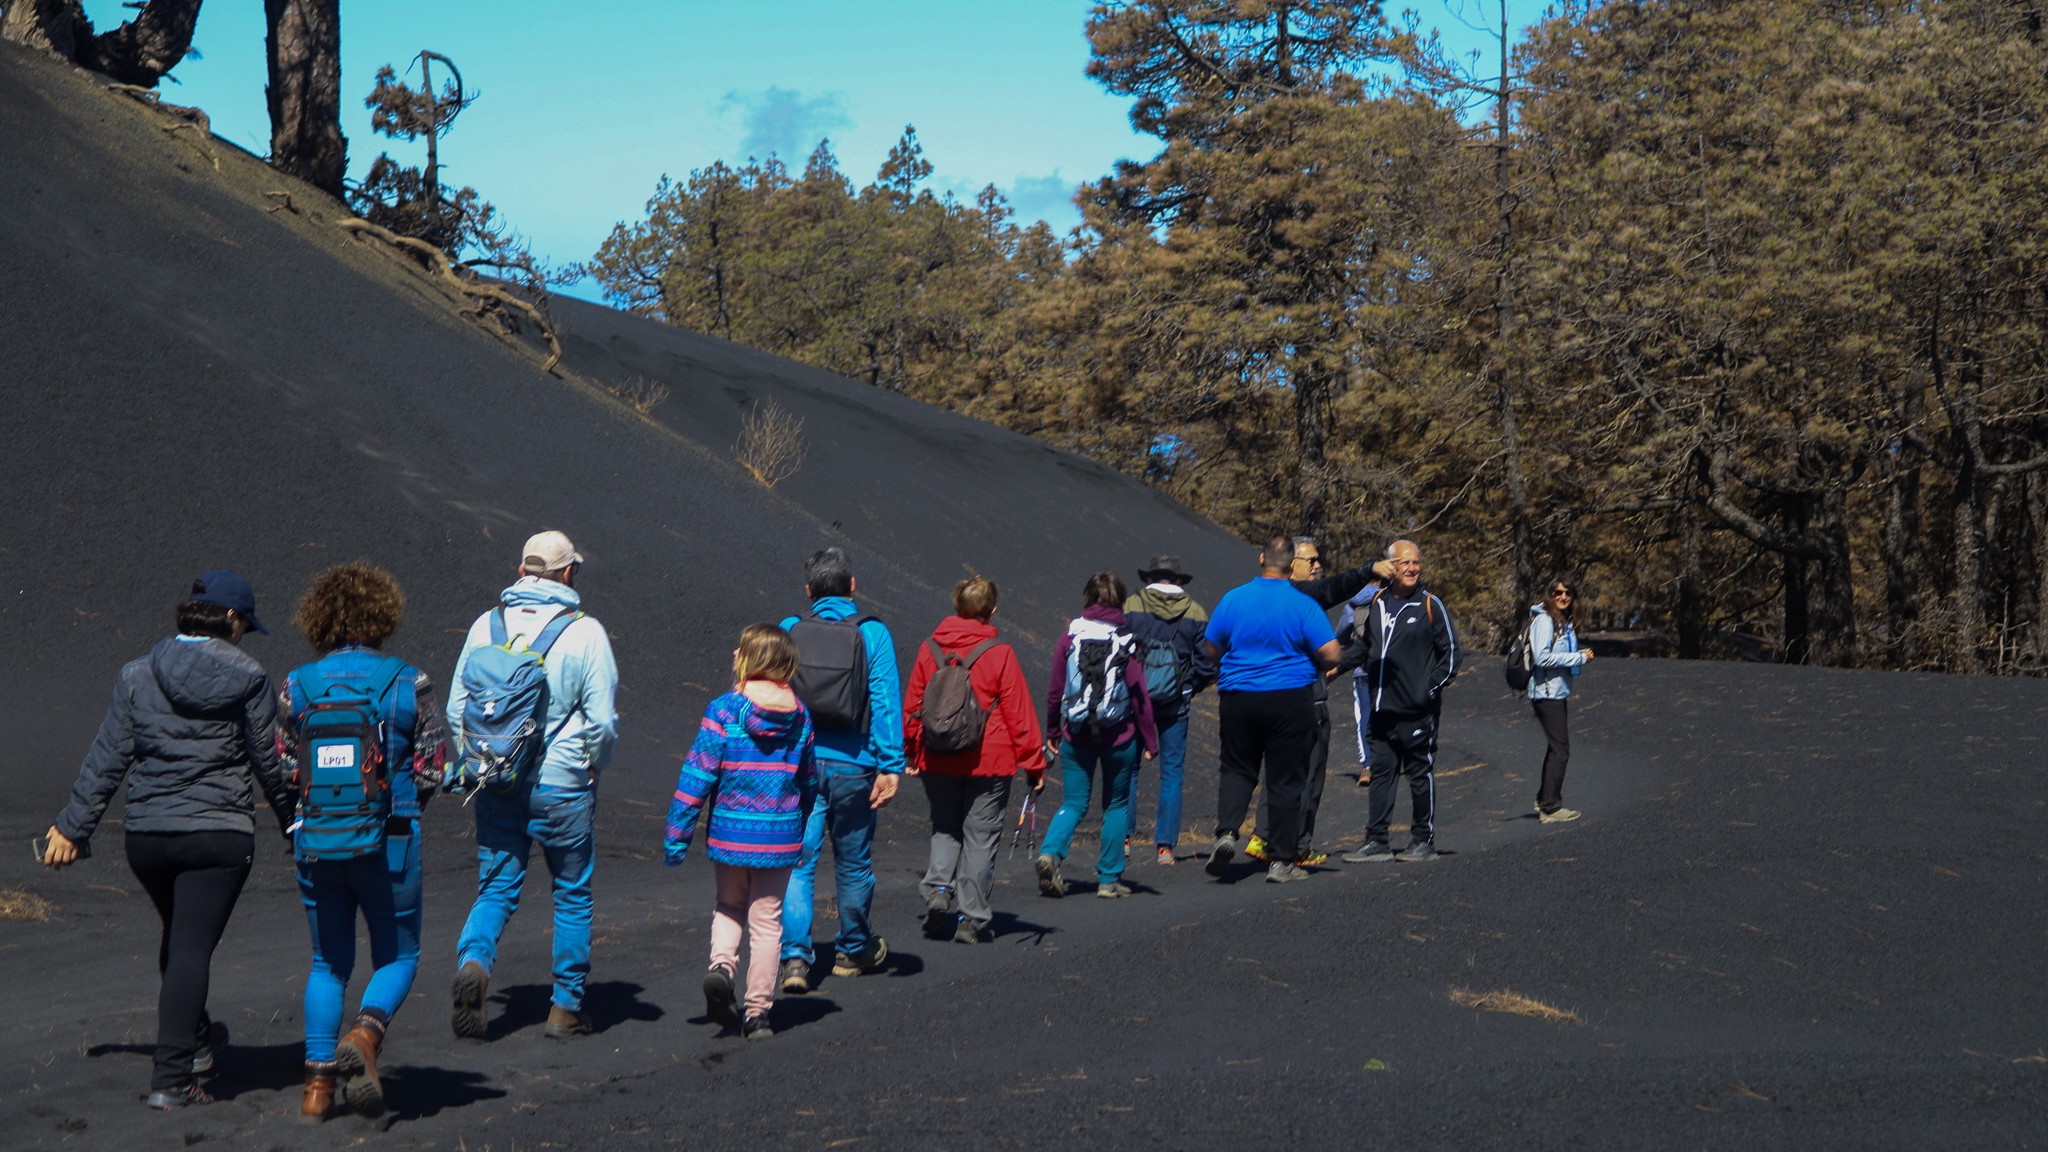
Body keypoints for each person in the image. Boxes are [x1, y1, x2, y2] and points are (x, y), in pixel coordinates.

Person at [40, 569, 294, 1110]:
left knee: (182, 942)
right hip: (218, 836)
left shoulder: (137, 674)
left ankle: (197, 1045)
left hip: (148, 838)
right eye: (246, 623)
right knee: (191, 949)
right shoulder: (250, 676)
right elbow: (270, 764)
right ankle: (173, 1080)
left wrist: (72, 826)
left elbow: (108, 757)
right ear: (230, 618)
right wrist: (296, 825)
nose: (246, 633)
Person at [276, 562, 447, 1122]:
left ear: (319, 619)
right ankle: (368, 1036)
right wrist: (399, 810)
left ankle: (316, 1092)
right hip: (391, 840)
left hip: (317, 841)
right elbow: (431, 768)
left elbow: (283, 769)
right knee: (399, 954)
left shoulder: (297, 685)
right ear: (383, 616)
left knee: (328, 962)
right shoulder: (408, 681)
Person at [447, 531, 618, 1041]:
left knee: (495, 887)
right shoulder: (586, 633)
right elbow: (602, 722)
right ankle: (565, 1007)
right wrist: (593, 767)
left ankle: (474, 964)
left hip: (496, 782)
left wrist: (480, 761)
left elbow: (460, 706)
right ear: (568, 574)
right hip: (562, 785)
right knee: (571, 893)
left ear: (522, 571)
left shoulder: (485, 625)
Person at [665, 624, 818, 1040]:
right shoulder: (801, 716)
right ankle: (758, 1014)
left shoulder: (724, 710)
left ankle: (721, 967)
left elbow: (698, 774)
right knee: (768, 923)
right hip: (780, 834)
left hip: (731, 832)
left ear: (750, 660)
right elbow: (808, 781)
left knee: (729, 906)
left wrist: (677, 833)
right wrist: (800, 822)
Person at [778, 547, 903, 993]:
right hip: (856, 765)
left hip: (800, 763)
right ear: (852, 586)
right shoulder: (873, 634)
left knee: (797, 861)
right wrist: (891, 765)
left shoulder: (790, 629)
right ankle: (852, 949)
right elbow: (886, 701)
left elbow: (769, 694)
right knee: (853, 860)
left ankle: (794, 959)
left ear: (809, 590)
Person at [902, 576, 1047, 941]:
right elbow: (1018, 713)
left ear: (956, 605)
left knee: (945, 827)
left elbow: (914, 706)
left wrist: (913, 751)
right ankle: (972, 918)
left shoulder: (929, 649)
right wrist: (1034, 763)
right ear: (992, 610)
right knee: (980, 837)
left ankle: (937, 892)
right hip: (990, 759)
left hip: (938, 756)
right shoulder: (999, 653)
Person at [1202, 537, 1342, 884]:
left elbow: (1210, 647)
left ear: (1262, 558)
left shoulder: (1233, 598)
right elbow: (1332, 653)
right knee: (1284, 778)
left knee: (1236, 767)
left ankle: (1227, 833)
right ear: (1291, 563)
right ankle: (1281, 861)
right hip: (1289, 697)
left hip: (1239, 695)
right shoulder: (1302, 603)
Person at [1245, 537, 1387, 866]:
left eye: (1318, 560)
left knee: (1277, 774)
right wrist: (1367, 571)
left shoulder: (1261, 598)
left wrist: (1339, 663)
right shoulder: (1297, 594)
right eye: (1310, 560)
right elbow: (1331, 590)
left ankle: (1262, 837)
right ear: (1289, 563)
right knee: (1309, 777)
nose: (1317, 565)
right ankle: (1298, 846)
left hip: (1273, 699)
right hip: (1306, 704)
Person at [1332, 539, 1459, 863]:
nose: (1412, 568)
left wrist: (1429, 689)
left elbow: (1452, 654)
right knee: (1381, 775)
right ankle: (1376, 841)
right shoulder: (1377, 602)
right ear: (1390, 567)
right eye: (1405, 563)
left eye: (1416, 562)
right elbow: (1366, 647)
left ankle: (1422, 841)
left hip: (1418, 711)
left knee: (1419, 774)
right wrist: (1336, 667)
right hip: (1381, 710)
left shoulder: (1431, 604)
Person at [1036, 572, 1160, 898]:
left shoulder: (1070, 637)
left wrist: (1052, 731)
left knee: (1074, 802)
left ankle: (1050, 852)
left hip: (1076, 734)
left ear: (1087, 598)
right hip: (1119, 737)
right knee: (1116, 806)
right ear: (1120, 600)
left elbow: (1054, 691)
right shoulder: (1126, 639)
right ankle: (1108, 879)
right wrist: (1151, 741)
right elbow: (1139, 696)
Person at [1120, 555, 1215, 864]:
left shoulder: (1132, 605)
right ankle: (1165, 847)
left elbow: (1118, 648)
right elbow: (1207, 661)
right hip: (1175, 701)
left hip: (1135, 698)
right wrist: (1189, 687)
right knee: (1171, 773)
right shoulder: (1196, 611)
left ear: (1150, 578)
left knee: (1129, 769)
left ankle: (1123, 839)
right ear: (1178, 581)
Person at [1527, 578, 1593, 823]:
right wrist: (1577, 657)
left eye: (1568, 593)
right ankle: (1550, 808)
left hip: (1556, 691)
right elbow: (1541, 658)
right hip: (1546, 692)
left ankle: (1544, 797)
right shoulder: (1545, 620)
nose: (1563, 597)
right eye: (1558, 593)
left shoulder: (1564, 621)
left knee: (1556, 747)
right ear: (1550, 595)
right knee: (1561, 750)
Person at [1335, 574, 1388, 789]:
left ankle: (1367, 765)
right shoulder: (1391, 601)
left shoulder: (1354, 603)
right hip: (1388, 668)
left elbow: (1340, 635)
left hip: (1362, 668)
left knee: (1364, 715)